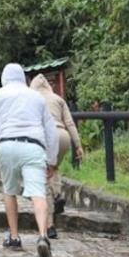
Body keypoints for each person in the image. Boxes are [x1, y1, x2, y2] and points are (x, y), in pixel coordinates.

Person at [0, 63, 59, 257]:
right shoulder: (36, 97)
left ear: (4, 78)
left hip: (7, 146)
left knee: (10, 190)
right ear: (23, 78)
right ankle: (43, 236)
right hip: (34, 146)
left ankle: (14, 237)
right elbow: (50, 130)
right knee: (38, 193)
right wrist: (52, 160)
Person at [29, 74, 83, 239]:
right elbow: (70, 123)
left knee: (43, 178)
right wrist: (78, 145)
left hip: (46, 137)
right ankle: (58, 193)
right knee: (54, 168)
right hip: (63, 136)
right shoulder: (58, 99)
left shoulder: (32, 99)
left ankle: (50, 225)